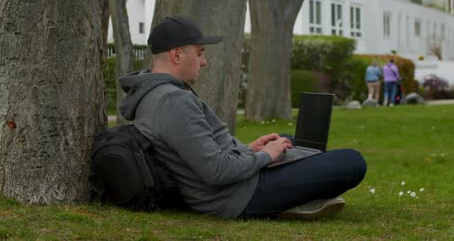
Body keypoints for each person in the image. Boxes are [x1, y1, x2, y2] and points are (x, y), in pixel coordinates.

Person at [118, 15, 366, 219]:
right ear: (176, 55)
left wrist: (250, 149)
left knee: (290, 142)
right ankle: (292, 201)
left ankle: (298, 197)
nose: (204, 62)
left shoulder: (153, 94)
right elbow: (215, 171)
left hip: (235, 184)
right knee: (352, 161)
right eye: (200, 52)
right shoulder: (173, 101)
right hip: (235, 196)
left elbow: (201, 153)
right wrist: (264, 156)